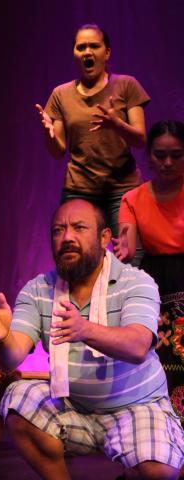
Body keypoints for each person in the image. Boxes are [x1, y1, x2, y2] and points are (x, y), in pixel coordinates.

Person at [0, 199, 184, 480]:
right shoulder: (38, 290)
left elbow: (138, 346)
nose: (67, 237)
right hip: (74, 408)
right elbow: (12, 357)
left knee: (160, 473)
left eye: (78, 228)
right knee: (18, 398)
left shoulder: (136, 282)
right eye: (58, 230)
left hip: (137, 407)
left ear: (104, 238)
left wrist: (84, 329)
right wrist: (3, 339)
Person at [35, 23, 150, 238]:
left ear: (107, 53)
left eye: (94, 46)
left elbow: (140, 139)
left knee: (129, 260)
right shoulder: (61, 94)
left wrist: (117, 124)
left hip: (122, 188)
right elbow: (58, 151)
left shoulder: (126, 85)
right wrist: (49, 134)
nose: (87, 52)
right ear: (74, 53)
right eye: (81, 47)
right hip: (79, 189)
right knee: (76, 257)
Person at [114, 120, 184, 424]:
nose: (167, 163)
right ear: (149, 157)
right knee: (161, 363)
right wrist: (123, 250)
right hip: (156, 279)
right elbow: (127, 243)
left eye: (176, 155)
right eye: (159, 155)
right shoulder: (133, 198)